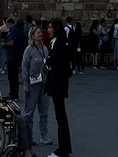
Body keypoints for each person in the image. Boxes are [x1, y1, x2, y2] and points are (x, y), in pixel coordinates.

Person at [45, 18, 72, 157]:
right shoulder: (61, 42)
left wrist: (46, 60)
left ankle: (63, 150)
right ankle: (65, 147)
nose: (48, 30)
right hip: (59, 83)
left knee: (60, 117)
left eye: (51, 27)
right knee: (61, 116)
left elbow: (51, 59)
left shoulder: (59, 43)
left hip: (57, 84)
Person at [21, 24, 51, 145]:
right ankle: (28, 136)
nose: (40, 34)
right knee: (29, 111)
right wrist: (25, 84)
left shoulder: (45, 49)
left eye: (40, 33)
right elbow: (24, 67)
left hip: (44, 82)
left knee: (44, 111)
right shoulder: (29, 50)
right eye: (38, 33)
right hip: (33, 83)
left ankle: (44, 135)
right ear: (32, 36)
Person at [7, 16, 27, 98]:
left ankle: (13, 93)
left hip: (12, 56)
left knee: (12, 76)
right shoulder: (22, 31)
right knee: (15, 76)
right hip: (19, 56)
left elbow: (11, 42)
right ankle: (15, 93)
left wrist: (3, 44)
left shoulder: (13, 31)